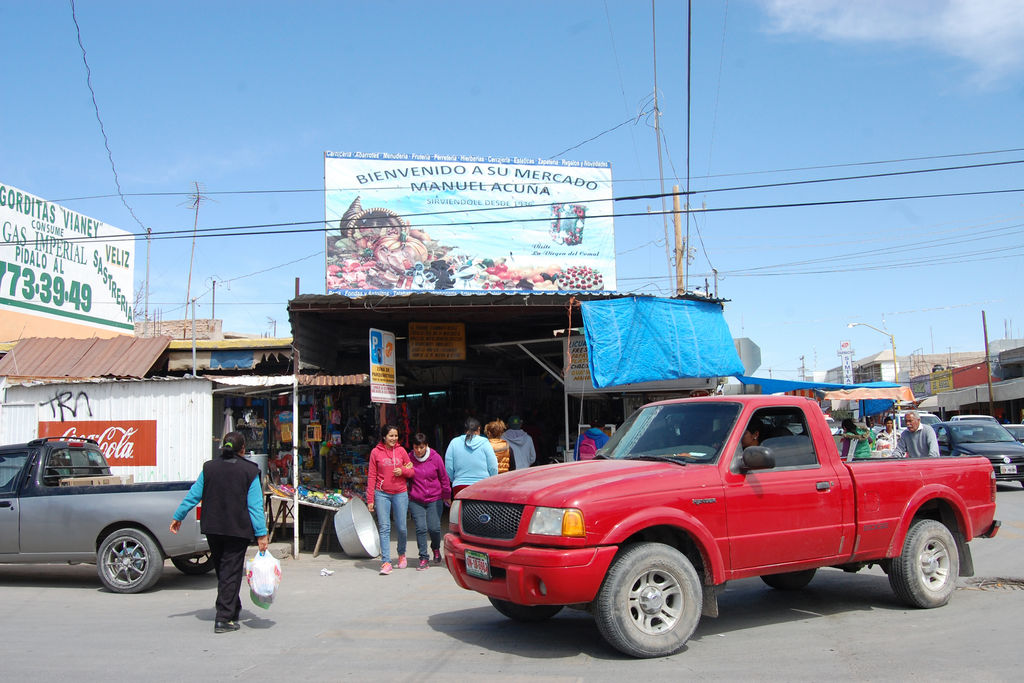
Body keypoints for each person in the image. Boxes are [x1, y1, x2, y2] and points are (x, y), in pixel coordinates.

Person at [170, 431, 268, 634]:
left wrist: (178, 516)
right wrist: (261, 533)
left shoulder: (209, 467)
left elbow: (194, 494)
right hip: (236, 530)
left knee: (225, 571)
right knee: (230, 572)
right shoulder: (250, 471)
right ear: (243, 449)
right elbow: (255, 506)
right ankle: (224, 618)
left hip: (213, 528)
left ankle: (232, 607)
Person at [367, 424, 414, 575]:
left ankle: (401, 554)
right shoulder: (375, 452)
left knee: (401, 527)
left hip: (400, 493)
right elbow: (371, 476)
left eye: (395, 436)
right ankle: (386, 561)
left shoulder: (402, 451)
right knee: (384, 527)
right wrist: (370, 499)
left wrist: (403, 471)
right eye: (390, 436)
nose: (393, 438)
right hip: (382, 494)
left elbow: (412, 471)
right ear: (384, 437)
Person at [408, 432, 451, 569]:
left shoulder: (435, 458)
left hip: (435, 498)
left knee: (434, 528)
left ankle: (436, 548)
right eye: (416, 447)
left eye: (421, 447)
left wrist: (447, 495)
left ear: (426, 446)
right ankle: (423, 557)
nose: (419, 450)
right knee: (421, 528)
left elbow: (444, 478)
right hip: (416, 499)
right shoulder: (408, 458)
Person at [445, 417, 498, 500]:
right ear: (479, 429)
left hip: (459, 487)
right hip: (482, 486)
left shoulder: (454, 442)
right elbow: (493, 466)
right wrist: (492, 481)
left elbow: (448, 466)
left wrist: (454, 479)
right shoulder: (485, 442)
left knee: (460, 512)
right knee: (480, 512)